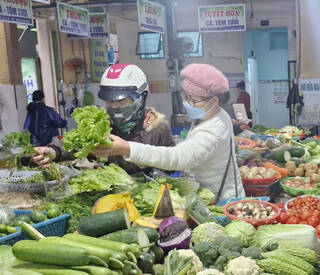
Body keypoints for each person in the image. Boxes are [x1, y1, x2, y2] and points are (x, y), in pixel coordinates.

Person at [89, 63, 244, 201]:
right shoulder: (211, 114)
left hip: (221, 200)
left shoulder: (213, 128)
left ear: (214, 101)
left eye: (193, 100)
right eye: (186, 97)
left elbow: (179, 158)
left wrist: (128, 149)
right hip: (204, 195)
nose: (187, 104)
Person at [32, 64, 175, 174]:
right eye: (110, 101)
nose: (114, 107)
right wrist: (53, 151)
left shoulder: (157, 128)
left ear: (140, 98)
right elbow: (74, 144)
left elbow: (172, 166)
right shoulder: (101, 123)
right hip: (111, 196)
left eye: (121, 101)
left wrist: (134, 154)